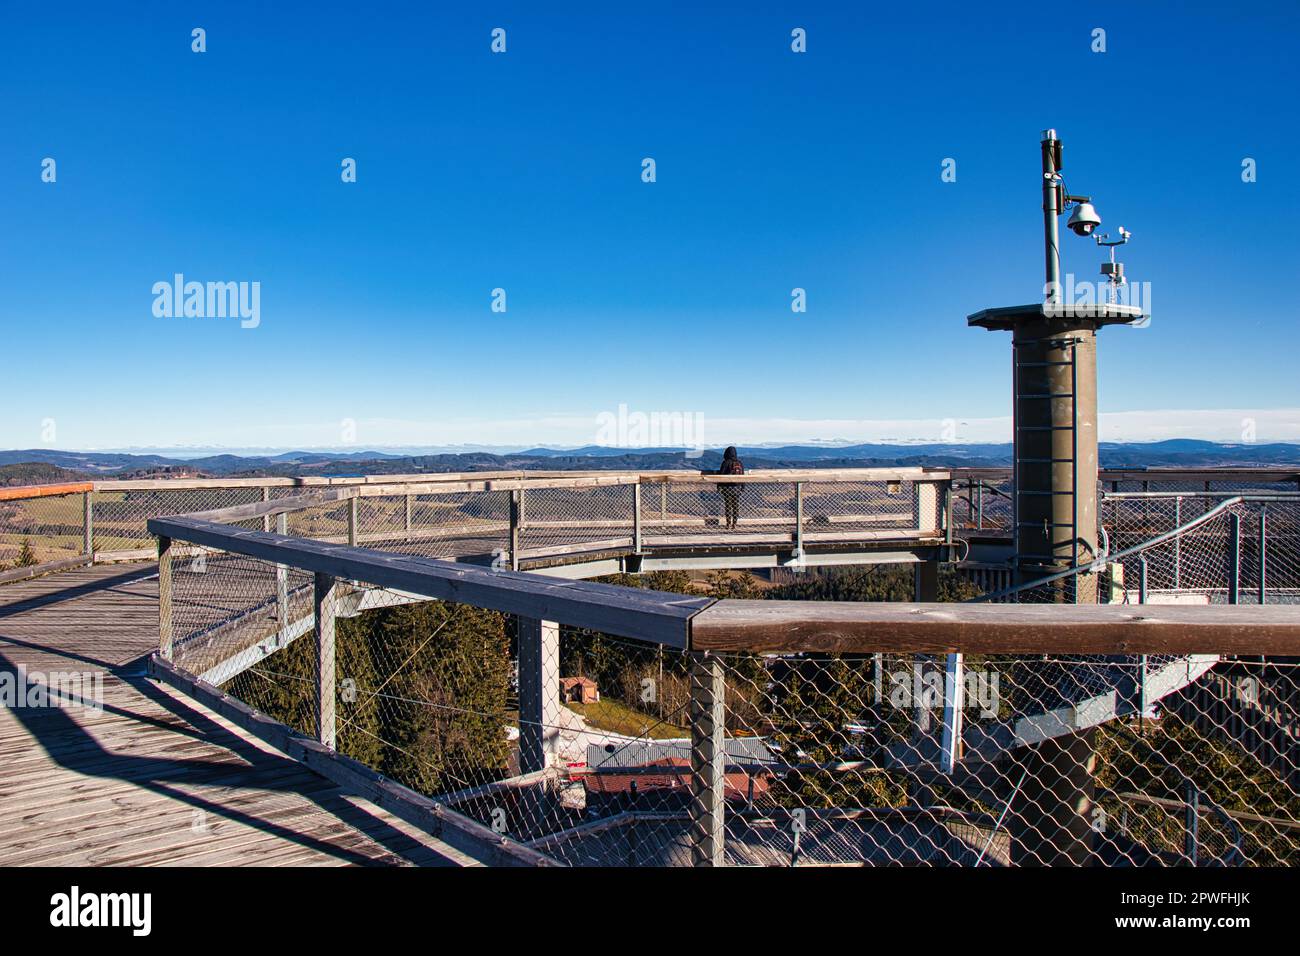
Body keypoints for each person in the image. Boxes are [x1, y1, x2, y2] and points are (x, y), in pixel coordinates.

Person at [716, 446, 744, 530]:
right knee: (735, 506)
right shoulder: (739, 463)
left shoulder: (726, 462)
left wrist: (719, 486)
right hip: (737, 488)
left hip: (727, 488)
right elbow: (742, 475)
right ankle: (734, 523)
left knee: (728, 506)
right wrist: (743, 487)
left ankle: (728, 523)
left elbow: (721, 475)